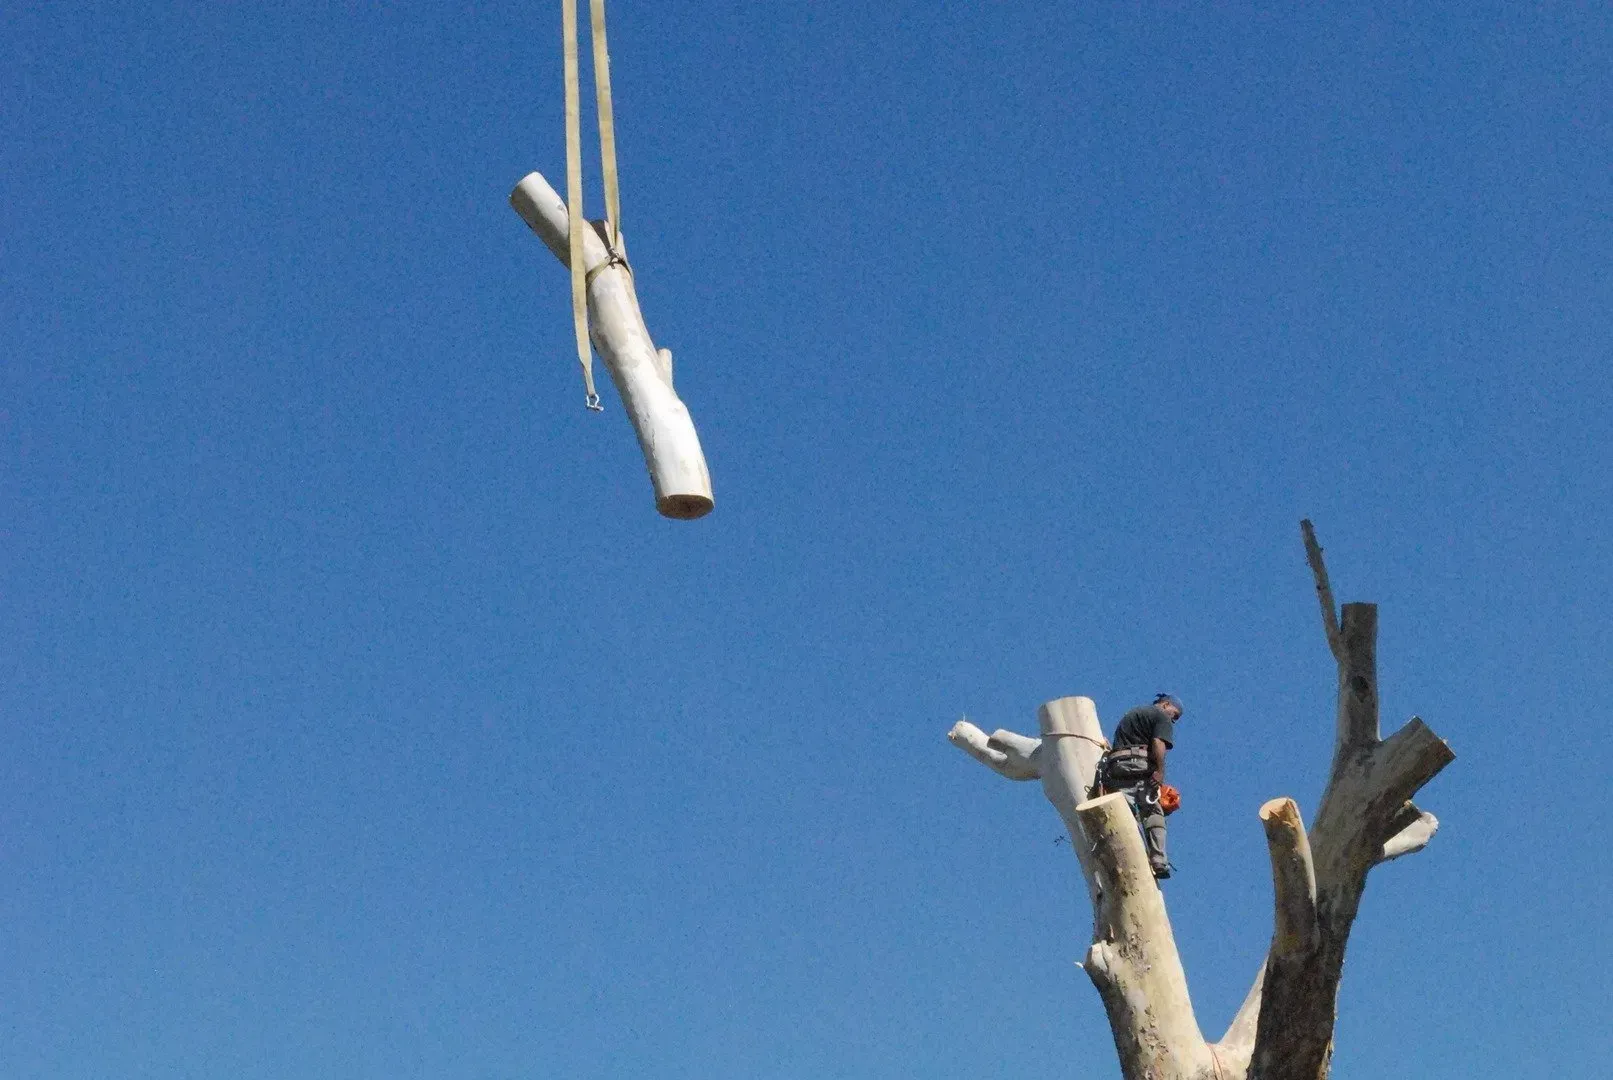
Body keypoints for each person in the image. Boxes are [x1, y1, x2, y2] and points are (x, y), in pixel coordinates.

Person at [1098, 693, 1183, 879]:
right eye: (1174, 714)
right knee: (1153, 812)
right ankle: (1159, 860)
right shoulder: (1161, 716)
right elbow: (1158, 743)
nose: (1173, 720)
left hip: (1117, 767)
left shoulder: (1132, 714)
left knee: (1125, 814)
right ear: (1166, 704)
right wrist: (1159, 772)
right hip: (1140, 766)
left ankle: (1122, 857)